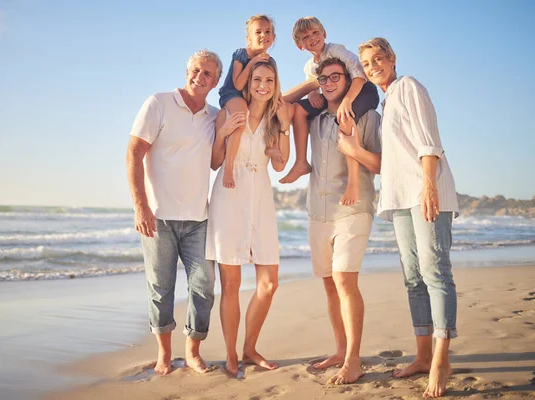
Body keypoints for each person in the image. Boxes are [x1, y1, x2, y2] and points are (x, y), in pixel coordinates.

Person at [358, 37, 459, 398]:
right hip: (399, 198)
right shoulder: (386, 104)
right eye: (367, 64)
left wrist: (429, 185)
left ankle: (440, 360)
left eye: (378, 59)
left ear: (392, 58)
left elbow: (429, 140)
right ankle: (421, 354)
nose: (373, 67)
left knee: (435, 273)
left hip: (425, 192)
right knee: (413, 278)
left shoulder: (409, 86)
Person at [126, 49, 222, 376]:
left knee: (204, 287)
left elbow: (219, 158)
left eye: (208, 73)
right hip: (159, 216)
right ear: (186, 71)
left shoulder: (214, 115)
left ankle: (192, 351)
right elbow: (134, 152)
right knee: (161, 287)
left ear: (216, 81)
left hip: (199, 218)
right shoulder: (159, 103)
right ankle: (164, 355)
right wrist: (140, 205)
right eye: (196, 70)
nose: (199, 77)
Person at [206, 59, 293, 377]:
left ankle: (249, 348)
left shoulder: (277, 117)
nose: (263, 85)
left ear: (275, 84)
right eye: (257, 79)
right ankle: (230, 355)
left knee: (269, 284)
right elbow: (215, 162)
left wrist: (283, 127)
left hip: (261, 199)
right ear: (248, 82)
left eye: (270, 80)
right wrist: (222, 134)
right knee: (231, 284)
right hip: (229, 197)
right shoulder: (228, 112)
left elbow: (282, 165)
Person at [304, 57, 381, 384]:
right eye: (324, 78)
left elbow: (379, 164)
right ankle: (339, 350)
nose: (330, 82)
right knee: (329, 284)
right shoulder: (314, 119)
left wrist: (354, 149)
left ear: (349, 80)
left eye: (337, 76)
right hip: (318, 213)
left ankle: (353, 360)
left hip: (353, 210)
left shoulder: (367, 117)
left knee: (345, 282)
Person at [280, 16, 379, 208]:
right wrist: (311, 95)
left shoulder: (336, 50)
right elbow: (314, 85)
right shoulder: (310, 66)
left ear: (324, 34)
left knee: (345, 117)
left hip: (362, 91)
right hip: (334, 95)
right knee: (298, 110)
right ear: (301, 45)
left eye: (315, 32)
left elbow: (359, 75)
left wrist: (348, 101)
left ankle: (353, 182)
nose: (312, 38)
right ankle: (301, 162)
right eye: (306, 37)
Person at [218, 14, 282, 189]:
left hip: (251, 96)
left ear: (273, 37)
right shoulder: (241, 54)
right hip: (233, 94)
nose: (263, 35)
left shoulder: (270, 61)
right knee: (241, 118)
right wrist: (253, 61)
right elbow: (238, 83)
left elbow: (273, 86)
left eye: (268, 31)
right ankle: (229, 167)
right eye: (258, 31)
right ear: (248, 38)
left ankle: (272, 146)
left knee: (277, 108)